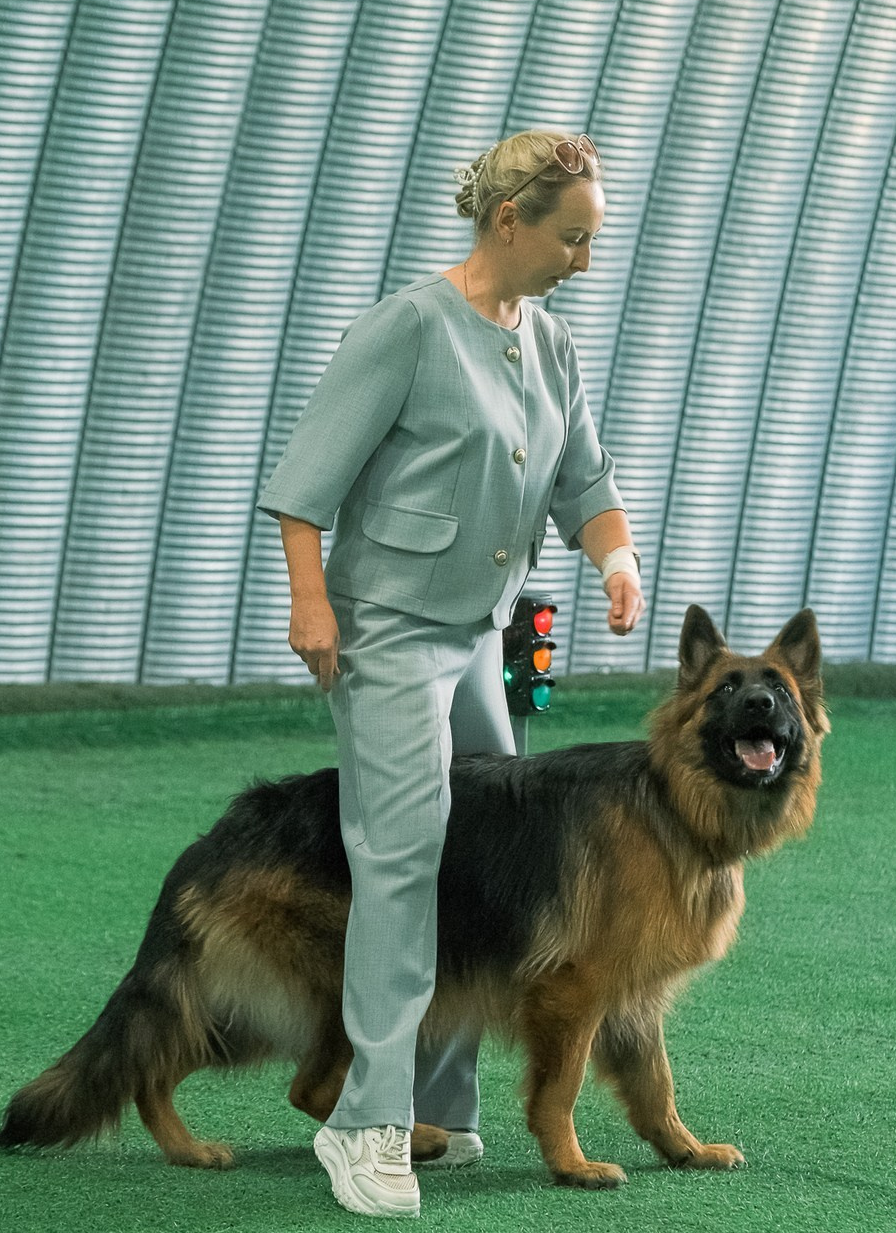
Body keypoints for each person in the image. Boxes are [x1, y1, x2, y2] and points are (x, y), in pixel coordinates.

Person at [257, 129, 644, 1219]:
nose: (583, 258)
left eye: (592, 240)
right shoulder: (407, 326)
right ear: (507, 221)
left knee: (490, 857)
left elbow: (582, 476)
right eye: (571, 238)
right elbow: (303, 486)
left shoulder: (549, 342)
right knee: (399, 859)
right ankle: (364, 1122)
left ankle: (445, 1106)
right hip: (384, 632)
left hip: (479, 632)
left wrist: (613, 554)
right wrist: (309, 600)